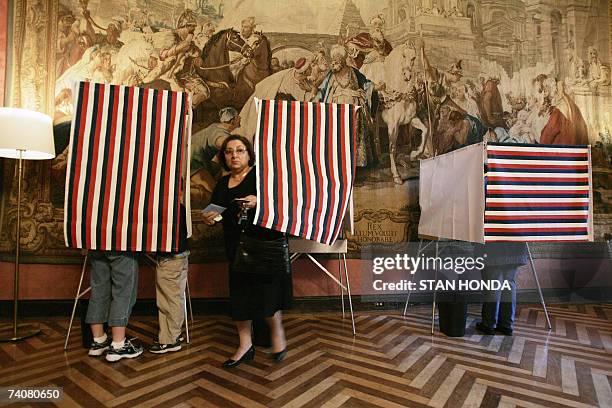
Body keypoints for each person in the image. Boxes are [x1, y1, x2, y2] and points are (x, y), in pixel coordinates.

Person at [203, 135, 292, 367]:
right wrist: (210, 218)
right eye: (229, 151)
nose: (234, 155)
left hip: (264, 244)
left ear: (249, 154)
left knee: (267, 294)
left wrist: (260, 202)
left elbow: (284, 203)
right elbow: (215, 212)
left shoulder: (263, 177)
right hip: (236, 248)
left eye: (240, 150)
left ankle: (277, 336)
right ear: (223, 156)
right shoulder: (222, 185)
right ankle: (245, 346)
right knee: (240, 297)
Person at [86, 251, 142, 362]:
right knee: (123, 291)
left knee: (98, 290)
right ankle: (118, 345)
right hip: (121, 241)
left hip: (95, 240)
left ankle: (99, 341)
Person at [149, 203, 189, 354]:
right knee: (175, 296)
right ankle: (174, 335)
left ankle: (170, 340)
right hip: (180, 254)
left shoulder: (163, 207)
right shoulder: (180, 206)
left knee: (167, 299)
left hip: (170, 258)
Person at [474, 243, 528, 336]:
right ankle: (506, 325)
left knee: (494, 282)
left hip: (493, 247)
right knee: (509, 282)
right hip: (514, 244)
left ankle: (489, 324)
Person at [190, 107, 241, 206]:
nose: (240, 118)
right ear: (233, 120)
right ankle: (213, 217)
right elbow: (222, 142)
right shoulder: (220, 133)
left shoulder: (215, 127)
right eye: (238, 117)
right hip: (192, 161)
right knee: (215, 192)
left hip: (193, 159)